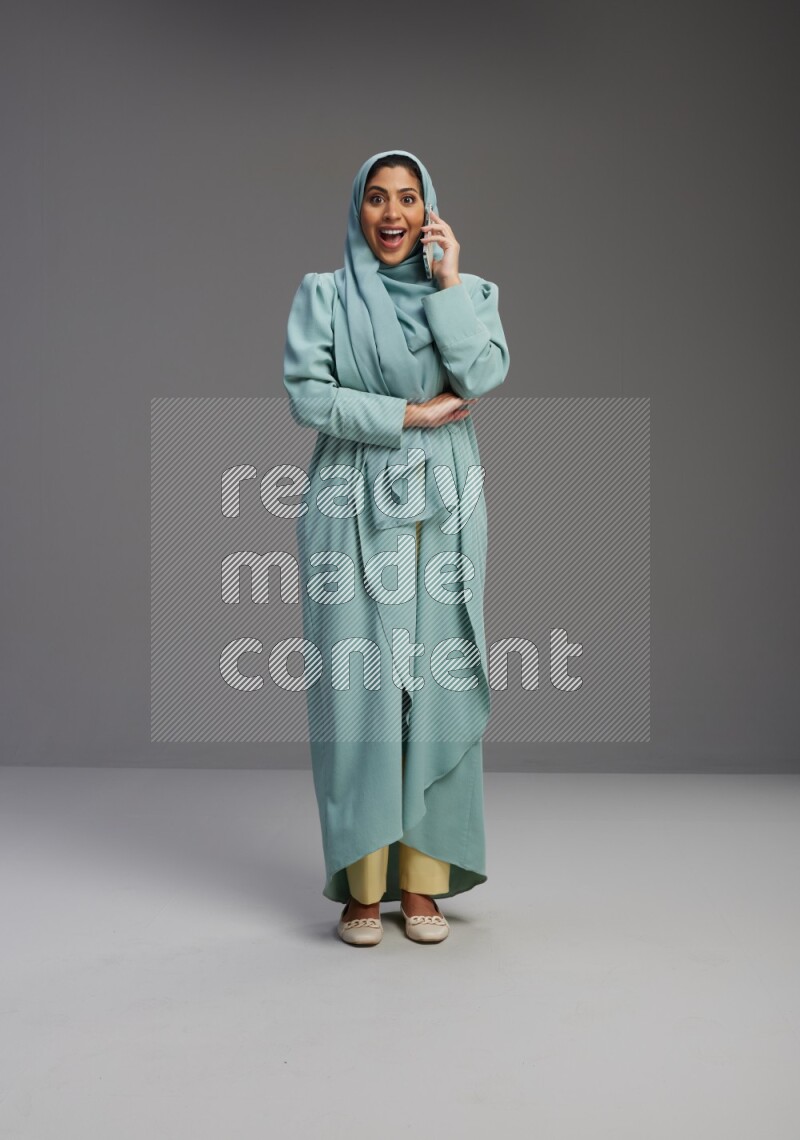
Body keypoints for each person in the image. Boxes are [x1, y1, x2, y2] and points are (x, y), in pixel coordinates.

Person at [283, 148, 510, 946]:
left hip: (444, 506)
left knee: (435, 683)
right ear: (358, 208)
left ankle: (423, 882)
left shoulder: (472, 294)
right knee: (359, 690)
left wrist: (449, 285)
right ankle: (360, 882)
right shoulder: (326, 295)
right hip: (350, 498)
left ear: (428, 210)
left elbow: (478, 376)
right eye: (377, 198)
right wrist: (406, 417)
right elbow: (307, 396)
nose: (391, 214)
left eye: (407, 199)